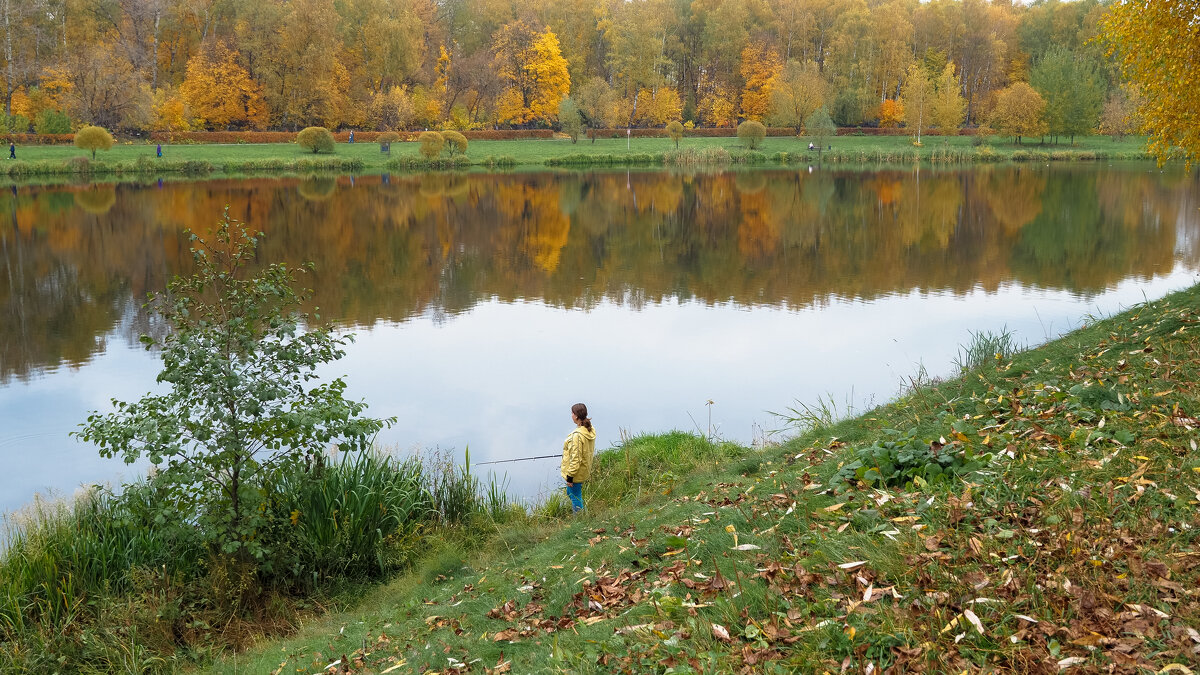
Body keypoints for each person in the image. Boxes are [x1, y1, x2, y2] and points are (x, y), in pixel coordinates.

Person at [561, 403, 596, 513]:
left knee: (575, 497)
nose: (571, 415)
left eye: (572, 413)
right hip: (583, 470)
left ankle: (580, 519)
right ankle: (582, 516)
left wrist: (570, 477)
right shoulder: (589, 429)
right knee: (571, 492)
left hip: (576, 473)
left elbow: (576, 460)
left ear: (576, 416)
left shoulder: (577, 436)